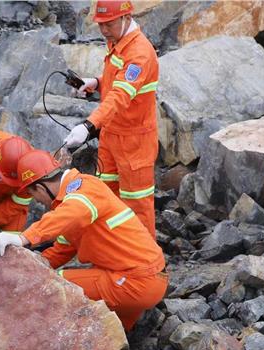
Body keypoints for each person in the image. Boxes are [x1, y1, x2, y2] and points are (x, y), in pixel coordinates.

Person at [0, 150, 167, 330]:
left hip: (136, 282)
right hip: (138, 279)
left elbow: (72, 214)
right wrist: (27, 268)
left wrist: (23, 238)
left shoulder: (84, 189)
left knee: (53, 284)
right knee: (108, 332)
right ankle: (118, 346)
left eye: (34, 195)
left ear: (40, 188)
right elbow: (61, 250)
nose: (38, 202)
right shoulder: (72, 199)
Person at [63, 0, 159, 238]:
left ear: (126, 18)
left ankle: (149, 265)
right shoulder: (117, 42)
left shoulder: (140, 54)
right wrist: (95, 83)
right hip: (111, 135)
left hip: (134, 141)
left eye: (109, 24)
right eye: (100, 25)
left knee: (137, 203)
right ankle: (115, 247)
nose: (104, 30)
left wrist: (88, 125)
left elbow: (120, 96)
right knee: (106, 194)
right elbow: (116, 80)